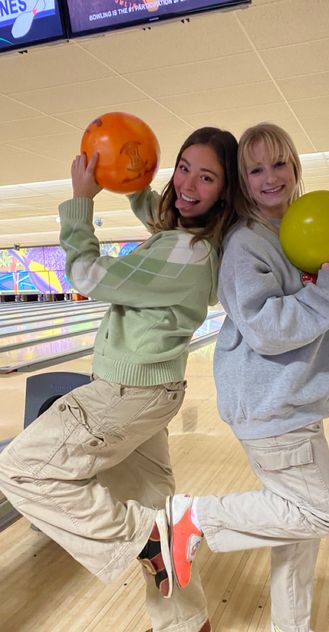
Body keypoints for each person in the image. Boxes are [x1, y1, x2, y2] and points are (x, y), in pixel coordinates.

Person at [0, 126, 241, 632]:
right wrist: (134, 181)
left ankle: (147, 539)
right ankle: (186, 620)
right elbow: (162, 212)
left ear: (225, 190)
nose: (188, 184)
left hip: (124, 394)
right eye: (183, 169)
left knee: (20, 469)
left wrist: (81, 205)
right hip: (154, 393)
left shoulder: (183, 254)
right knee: (156, 502)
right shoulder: (196, 242)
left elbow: (87, 276)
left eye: (207, 177)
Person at [162, 123, 329, 632]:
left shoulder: (304, 226)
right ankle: (193, 518)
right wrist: (326, 288)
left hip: (295, 402)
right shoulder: (246, 245)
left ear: (295, 167)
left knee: (298, 535)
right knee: (323, 512)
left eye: (279, 164)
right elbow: (267, 330)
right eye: (256, 169)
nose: (270, 177)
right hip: (274, 407)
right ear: (243, 180)